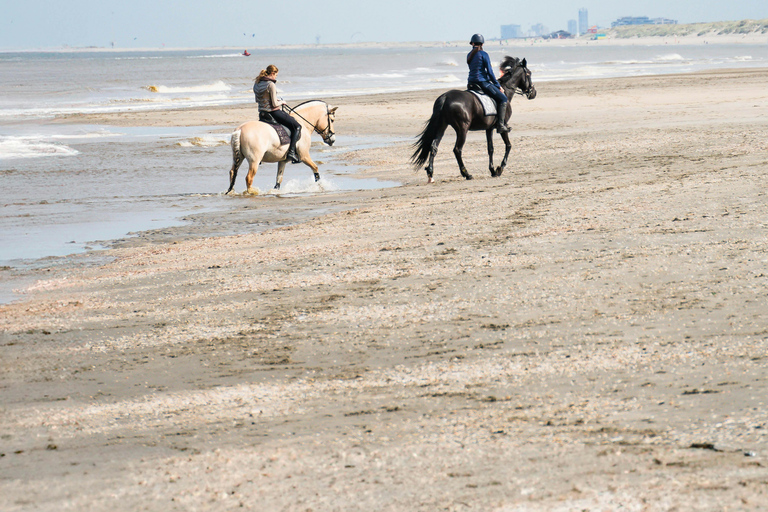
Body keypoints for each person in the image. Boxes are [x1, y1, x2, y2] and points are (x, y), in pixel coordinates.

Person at [253, 64, 301, 163]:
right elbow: (274, 104)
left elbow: (258, 100)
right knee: (297, 127)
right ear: (272, 73)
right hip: (273, 112)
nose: (276, 77)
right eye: (276, 75)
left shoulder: (257, 83)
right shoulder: (271, 84)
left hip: (262, 113)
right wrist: (282, 102)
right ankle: (291, 152)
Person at [466, 34, 510, 134]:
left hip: (470, 83)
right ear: (482, 43)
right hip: (482, 83)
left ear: (472, 43)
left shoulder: (469, 55)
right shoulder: (484, 54)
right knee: (503, 99)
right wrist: (498, 86)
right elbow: (490, 72)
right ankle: (500, 125)